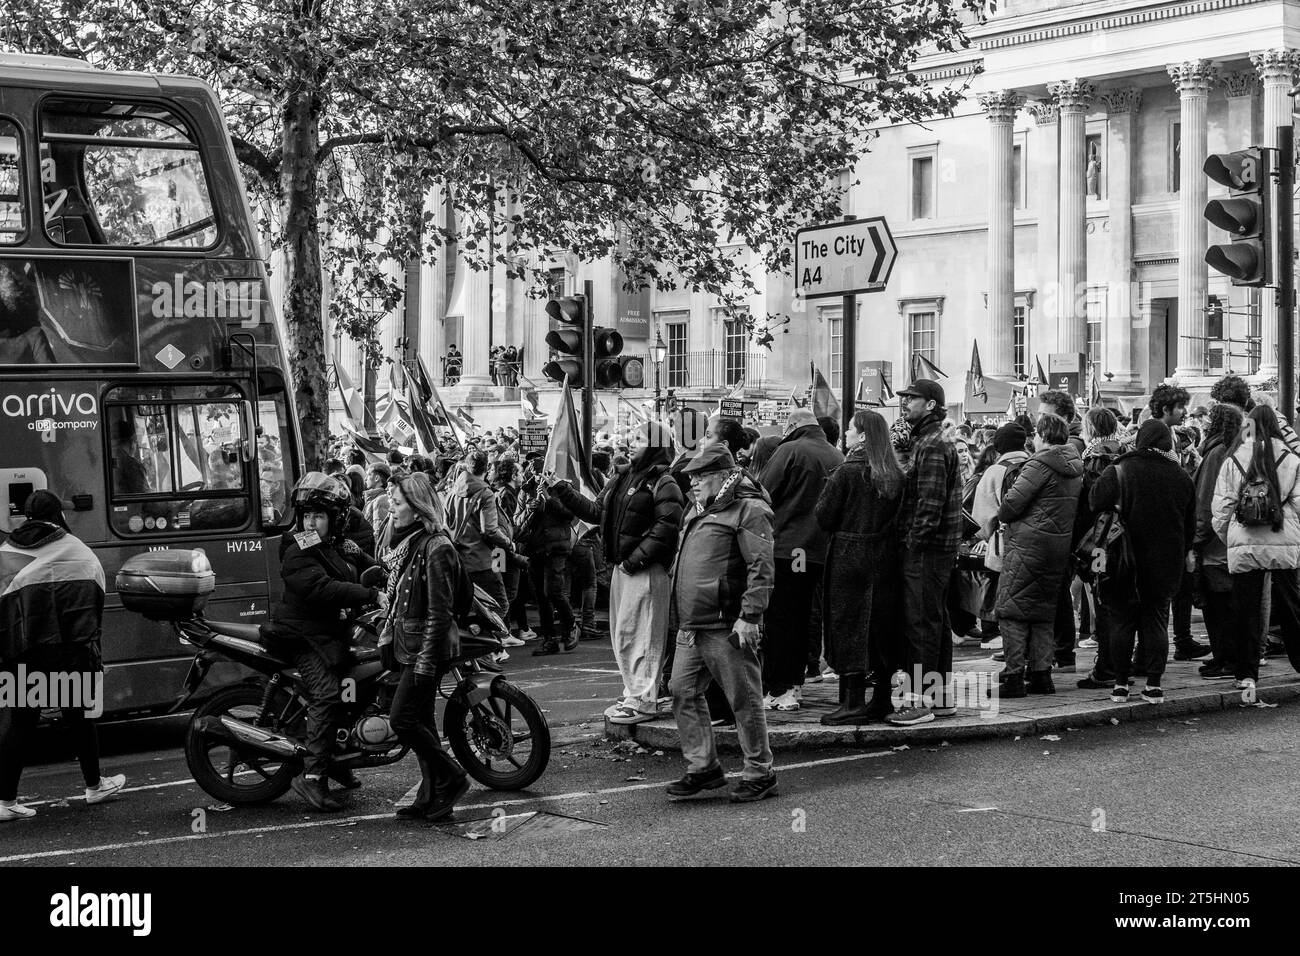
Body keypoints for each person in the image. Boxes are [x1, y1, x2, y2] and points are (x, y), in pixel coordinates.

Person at [0, 492, 125, 821]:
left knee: (20, 723)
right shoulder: (76, 549)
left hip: (22, 653)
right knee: (79, 718)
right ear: (58, 515)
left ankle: (6, 802)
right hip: (69, 653)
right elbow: (93, 603)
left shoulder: (6, 552)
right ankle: (95, 786)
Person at [549, 421, 685, 723]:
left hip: (644, 570)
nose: (631, 442)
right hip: (624, 568)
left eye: (640, 438)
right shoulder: (621, 477)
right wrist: (562, 490)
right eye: (632, 437)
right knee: (625, 634)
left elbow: (667, 527)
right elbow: (597, 512)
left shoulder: (665, 482)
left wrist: (634, 560)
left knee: (645, 637)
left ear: (655, 445)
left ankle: (645, 700)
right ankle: (634, 692)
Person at [666, 443, 778, 803]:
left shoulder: (749, 509)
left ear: (723, 476)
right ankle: (703, 767)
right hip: (693, 622)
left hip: (727, 623)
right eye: (692, 476)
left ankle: (760, 772)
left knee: (744, 699)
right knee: (682, 690)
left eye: (700, 475)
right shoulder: (699, 509)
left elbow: (762, 566)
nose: (693, 482)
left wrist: (750, 615)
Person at [273, 473, 384, 811]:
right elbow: (322, 588)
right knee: (327, 694)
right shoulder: (297, 547)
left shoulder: (333, 545)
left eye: (318, 516)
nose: (311, 522)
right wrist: (371, 594)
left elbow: (367, 569)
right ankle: (313, 778)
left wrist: (376, 569)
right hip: (303, 634)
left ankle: (340, 759)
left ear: (335, 519)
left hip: (329, 633)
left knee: (359, 684)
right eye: (307, 515)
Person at [378, 472, 471, 821]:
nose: (392, 508)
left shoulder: (436, 546)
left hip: (424, 652)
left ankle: (453, 777)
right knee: (423, 723)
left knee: (401, 719)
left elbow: (440, 612)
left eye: (398, 503)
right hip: (410, 647)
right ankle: (432, 796)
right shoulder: (411, 542)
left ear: (417, 509)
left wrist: (426, 662)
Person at [1092, 420, 1196, 704]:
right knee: (1156, 621)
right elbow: (1190, 526)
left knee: (1123, 621)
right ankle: (1153, 684)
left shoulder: (1120, 470)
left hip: (1124, 559)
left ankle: (1121, 684)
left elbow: (1094, 501)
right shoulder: (1181, 476)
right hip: (1165, 562)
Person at [813, 409, 904, 724]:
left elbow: (823, 516)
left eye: (851, 429)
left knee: (847, 627)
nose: (846, 433)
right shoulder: (894, 474)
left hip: (849, 556)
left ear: (863, 435)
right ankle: (881, 699)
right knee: (880, 629)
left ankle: (852, 701)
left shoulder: (846, 472)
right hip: (885, 558)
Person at [756, 408, 844, 711]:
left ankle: (781, 687)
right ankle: (793, 684)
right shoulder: (837, 455)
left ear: (792, 426)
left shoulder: (789, 450)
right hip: (820, 549)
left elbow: (762, 492)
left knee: (781, 619)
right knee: (805, 617)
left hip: (787, 546)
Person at [888, 380, 963, 725]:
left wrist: (913, 543)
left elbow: (929, 504)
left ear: (931, 404)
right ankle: (940, 697)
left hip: (927, 548)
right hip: (936, 548)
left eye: (912, 398)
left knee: (921, 622)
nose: (905, 403)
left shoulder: (932, 444)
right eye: (904, 398)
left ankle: (918, 703)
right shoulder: (931, 439)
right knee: (934, 620)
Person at [993, 414, 1084, 697]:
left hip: (1027, 545)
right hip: (1058, 545)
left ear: (1042, 436)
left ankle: (1013, 676)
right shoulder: (1076, 466)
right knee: (1044, 612)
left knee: (1012, 611)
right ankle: (1042, 675)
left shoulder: (1039, 464)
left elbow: (1011, 505)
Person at [1211, 405, 1300, 694]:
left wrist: (1231, 537)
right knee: (1291, 607)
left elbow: (1222, 508)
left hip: (1244, 540)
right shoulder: (1291, 458)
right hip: (1284, 539)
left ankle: (1246, 674)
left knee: (1246, 610)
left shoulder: (1234, 458)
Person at [1073, 407, 1127, 690]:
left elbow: (1092, 504)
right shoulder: (1125, 452)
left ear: (1090, 428)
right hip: (1124, 538)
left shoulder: (1094, 458)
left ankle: (1106, 665)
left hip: (1100, 541)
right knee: (1120, 601)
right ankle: (1120, 662)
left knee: (1101, 597)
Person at [1193, 403, 1244, 680]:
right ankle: (1224, 656)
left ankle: (1226, 658)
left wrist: (1197, 540)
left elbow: (1206, 501)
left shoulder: (1216, 453)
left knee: (1217, 605)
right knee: (1226, 604)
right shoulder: (1237, 449)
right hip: (1232, 541)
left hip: (1215, 544)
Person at [972, 422, 1030, 656]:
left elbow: (981, 517)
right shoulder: (1034, 465)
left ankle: (1000, 640)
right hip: (1033, 543)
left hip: (1002, 545)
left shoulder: (995, 471)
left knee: (999, 594)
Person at [445, 451, 514, 619]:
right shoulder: (486, 493)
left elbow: (446, 523)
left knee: (469, 606)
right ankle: (488, 641)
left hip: (460, 558)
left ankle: (476, 635)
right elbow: (489, 530)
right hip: (484, 559)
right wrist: (508, 543)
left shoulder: (452, 492)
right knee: (500, 605)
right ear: (487, 467)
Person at [363, 462, 392, 541]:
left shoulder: (381, 500)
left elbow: (379, 533)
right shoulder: (373, 497)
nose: (365, 479)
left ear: (376, 478)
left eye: (369, 474)